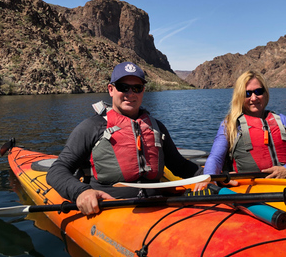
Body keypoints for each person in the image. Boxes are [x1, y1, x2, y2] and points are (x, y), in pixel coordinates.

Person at [47, 61, 202, 215]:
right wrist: (81, 192)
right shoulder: (91, 127)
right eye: (123, 87)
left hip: (158, 205)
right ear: (111, 89)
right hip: (111, 208)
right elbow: (57, 170)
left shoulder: (157, 127)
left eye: (137, 88)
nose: (130, 93)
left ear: (143, 91)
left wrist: (207, 175)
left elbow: (179, 165)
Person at [197, 70, 286, 190]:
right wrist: (208, 178)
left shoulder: (283, 120)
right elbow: (215, 158)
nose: (254, 98)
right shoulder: (230, 125)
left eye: (258, 92)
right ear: (240, 96)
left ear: (265, 93)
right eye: (247, 94)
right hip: (249, 190)